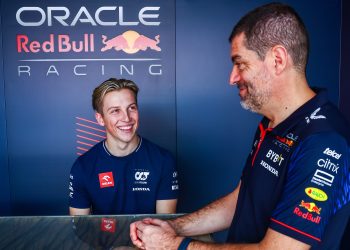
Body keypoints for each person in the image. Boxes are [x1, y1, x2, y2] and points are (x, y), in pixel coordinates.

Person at [130, 3, 350, 249]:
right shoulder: (272, 121)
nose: (232, 77)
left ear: (277, 59)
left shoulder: (323, 141)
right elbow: (241, 199)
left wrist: (176, 245)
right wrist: (174, 227)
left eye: (240, 63)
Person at [69, 78, 179, 215]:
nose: (126, 118)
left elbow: (164, 225)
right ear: (100, 118)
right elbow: (81, 229)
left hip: (150, 237)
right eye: (115, 111)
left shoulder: (163, 161)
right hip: (101, 237)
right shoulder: (83, 167)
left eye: (131, 108)